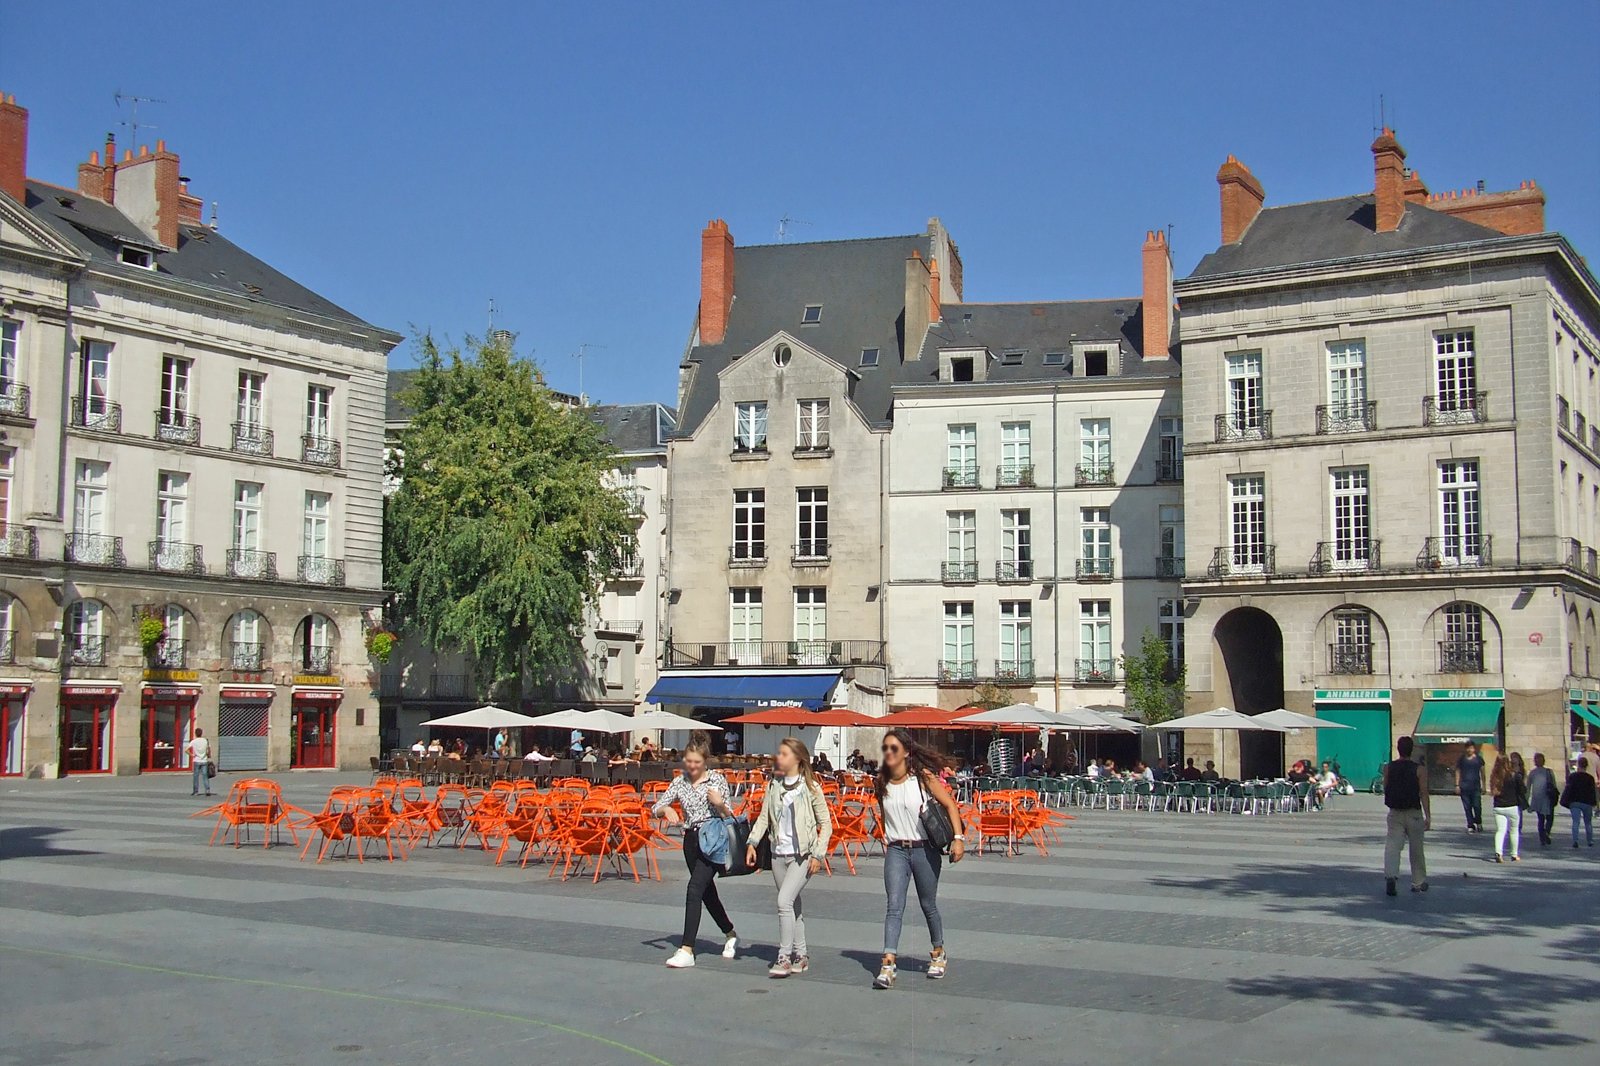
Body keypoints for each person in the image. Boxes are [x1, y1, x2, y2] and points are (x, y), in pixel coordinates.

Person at [872, 728, 964, 990]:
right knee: (894, 905)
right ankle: (888, 962)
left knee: (928, 904)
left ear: (907, 752)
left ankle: (938, 951)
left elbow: (949, 805)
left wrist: (958, 838)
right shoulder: (882, 782)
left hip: (925, 849)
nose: (888, 752)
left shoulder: (923, 778)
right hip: (897, 850)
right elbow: (883, 814)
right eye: (886, 748)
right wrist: (885, 836)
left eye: (894, 748)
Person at [744, 737, 832, 978]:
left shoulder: (810, 787)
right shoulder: (775, 785)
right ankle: (801, 955)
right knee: (793, 904)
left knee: (784, 902)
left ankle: (783, 956)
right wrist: (752, 842)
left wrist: (818, 854)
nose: (778, 757)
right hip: (777, 854)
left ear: (797, 758)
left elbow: (826, 824)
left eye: (783, 754)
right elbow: (764, 817)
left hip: (801, 856)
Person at [651, 733, 739, 968]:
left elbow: (728, 814)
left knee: (694, 889)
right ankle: (730, 933)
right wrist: (665, 810)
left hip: (712, 840)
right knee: (706, 893)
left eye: (696, 762)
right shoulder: (680, 781)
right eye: (688, 761)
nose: (691, 766)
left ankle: (687, 949)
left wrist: (719, 803)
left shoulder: (717, 780)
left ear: (705, 761)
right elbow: (656, 805)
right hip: (690, 840)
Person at [1382, 735, 1430, 896]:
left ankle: (1391, 875)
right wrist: (1428, 815)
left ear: (1398, 749)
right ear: (1412, 750)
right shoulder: (1419, 769)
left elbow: (1386, 787)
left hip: (1395, 812)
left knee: (1393, 846)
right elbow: (1423, 793)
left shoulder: (1388, 767)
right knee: (1416, 848)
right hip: (1413, 812)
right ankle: (1418, 881)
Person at [1489, 754, 1525, 862]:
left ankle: (1498, 853)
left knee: (1500, 831)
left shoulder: (1494, 776)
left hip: (1498, 807)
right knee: (1514, 831)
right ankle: (1514, 854)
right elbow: (1523, 790)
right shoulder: (1514, 775)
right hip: (1512, 806)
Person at [1560, 756, 1597, 848]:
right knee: (1588, 822)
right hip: (1587, 802)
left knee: (1576, 822)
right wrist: (1594, 802)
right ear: (1586, 766)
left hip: (1574, 801)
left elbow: (1568, 789)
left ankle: (1575, 840)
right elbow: (1593, 791)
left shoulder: (1572, 776)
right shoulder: (1590, 778)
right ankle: (1590, 840)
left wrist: (1565, 800)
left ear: (1578, 765)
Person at [1527, 753, 1560, 846]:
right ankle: (1547, 832)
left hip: (1538, 799)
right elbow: (1554, 785)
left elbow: (1528, 787)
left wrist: (1526, 800)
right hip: (1548, 797)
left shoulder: (1532, 773)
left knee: (1540, 819)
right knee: (1550, 818)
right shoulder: (1549, 771)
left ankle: (1542, 837)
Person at [1455, 742, 1486, 833]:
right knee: (1467, 807)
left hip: (1475, 787)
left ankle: (1479, 822)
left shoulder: (1479, 759)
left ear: (1474, 749)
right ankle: (1470, 825)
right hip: (1464, 787)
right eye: (1468, 748)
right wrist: (1457, 785)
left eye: (1471, 748)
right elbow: (1457, 771)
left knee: (1477, 806)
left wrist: (1484, 785)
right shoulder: (1462, 759)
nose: (1469, 750)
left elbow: (1483, 772)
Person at [186, 728, 213, 797]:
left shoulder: (194, 741)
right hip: (204, 760)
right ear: (201, 733)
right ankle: (207, 790)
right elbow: (208, 749)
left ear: (195, 733)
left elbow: (186, 750)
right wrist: (208, 755)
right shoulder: (205, 741)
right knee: (205, 776)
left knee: (196, 776)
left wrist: (192, 755)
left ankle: (196, 791)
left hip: (196, 760)